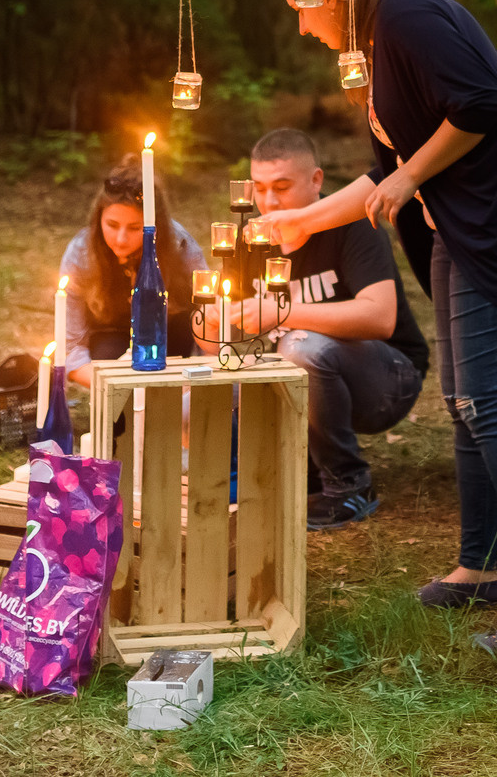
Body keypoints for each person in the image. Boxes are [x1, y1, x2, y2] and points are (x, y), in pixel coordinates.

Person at [259, 0, 497, 654]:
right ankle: (481, 566)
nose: (302, 23)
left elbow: (477, 106)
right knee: (465, 402)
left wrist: (412, 175)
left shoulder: (406, 15)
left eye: (303, 5)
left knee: (491, 401)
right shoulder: (378, 48)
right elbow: (388, 171)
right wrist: (303, 218)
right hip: (456, 233)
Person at [225, 126, 430, 531]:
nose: (268, 201)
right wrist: (217, 320)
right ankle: (288, 472)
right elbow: (229, 336)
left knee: (305, 348)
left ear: (316, 180)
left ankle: (348, 484)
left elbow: (380, 317)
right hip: (302, 382)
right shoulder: (247, 240)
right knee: (225, 369)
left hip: (387, 380)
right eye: (260, 188)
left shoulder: (354, 227)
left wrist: (280, 313)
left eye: (282, 187)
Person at [60, 158, 211, 387]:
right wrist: (109, 385)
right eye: (111, 225)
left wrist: (198, 382)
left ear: (154, 225)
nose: (121, 239)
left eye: (134, 228)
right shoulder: (81, 254)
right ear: (98, 217)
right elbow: (69, 346)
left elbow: (209, 316)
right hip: (109, 340)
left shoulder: (179, 245)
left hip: (168, 336)